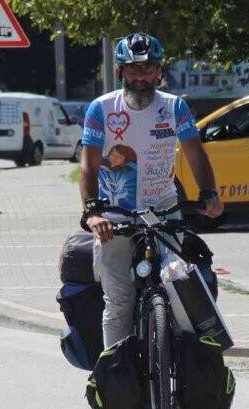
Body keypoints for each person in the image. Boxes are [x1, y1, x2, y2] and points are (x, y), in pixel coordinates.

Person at [80, 32, 224, 348]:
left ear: (159, 71)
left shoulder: (175, 108)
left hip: (163, 208)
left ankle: (187, 363)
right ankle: (113, 379)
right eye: (133, 69)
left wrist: (209, 193)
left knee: (179, 284)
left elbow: (195, 153)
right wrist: (92, 212)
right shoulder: (101, 109)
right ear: (120, 72)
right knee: (119, 302)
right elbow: (89, 166)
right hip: (114, 215)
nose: (141, 78)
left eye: (148, 70)